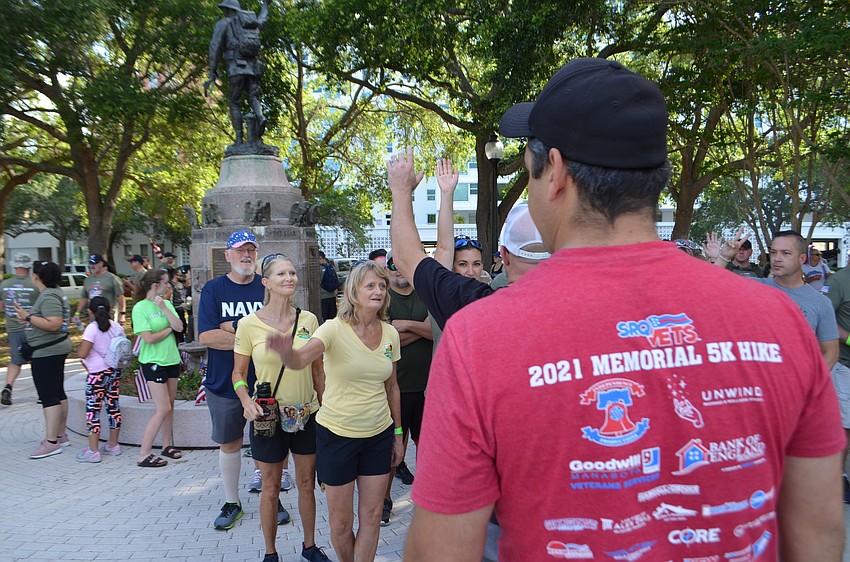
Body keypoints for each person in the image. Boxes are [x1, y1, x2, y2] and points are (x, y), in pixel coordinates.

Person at [403, 58, 846, 561]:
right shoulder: (780, 320)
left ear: (556, 174)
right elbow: (821, 534)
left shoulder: (479, 340)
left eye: (528, 172)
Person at [267, 261, 403, 562]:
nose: (378, 290)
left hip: (378, 435)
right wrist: (286, 352)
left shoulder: (390, 333)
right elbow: (301, 359)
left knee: (371, 515)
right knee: (341, 523)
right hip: (336, 436)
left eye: (382, 285)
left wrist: (397, 435)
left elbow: (392, 387)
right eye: (370, 285)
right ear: (353, 291)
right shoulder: (333, 329)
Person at [232, 253, 330, 562]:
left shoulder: (309, 320)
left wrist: (325, 410)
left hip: (306, 414)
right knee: (271, 487)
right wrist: (246, 401)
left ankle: (310, 547)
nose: (289, 278)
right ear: (266, 283)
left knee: (305, 485)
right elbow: (237, 374)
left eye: (292, 272)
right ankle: (271, 553)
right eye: (281, 274)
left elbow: (318, 371)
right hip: (267, 418)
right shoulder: (248, 325)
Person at [197, 230, 290, 530]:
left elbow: (279, 333)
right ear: (227, 255)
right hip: (225, 383)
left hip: (266, 384)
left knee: (268, 444)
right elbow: (207, 336)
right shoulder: (214, 289)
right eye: (239, 250)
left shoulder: (265, 289)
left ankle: (271, 498)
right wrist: (251, 335)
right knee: (231, 442)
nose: (246, 255)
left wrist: (234, 327)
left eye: (251, 250)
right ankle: (231, 501)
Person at [381, 250, 433, 526]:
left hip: (428, 389)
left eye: (403, 264)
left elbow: (437, 331)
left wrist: (404, 326)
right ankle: (385, 501)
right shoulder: (383, 299)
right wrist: (422, 328)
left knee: (428, 450)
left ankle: (430, 502)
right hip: (394, 390)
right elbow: (384, 342)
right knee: (393, 450)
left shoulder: (426, 294)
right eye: (393, 265)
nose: (398, 270)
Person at [13, 261, 72, 459]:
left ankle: (51, 442)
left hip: (47, 352)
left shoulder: (48, 295)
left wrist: (28, 317)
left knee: (49, 397)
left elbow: (53, 323)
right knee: (57, 392)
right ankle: (60, 435)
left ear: (36, 277)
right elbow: (49, 319)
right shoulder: (53, 293)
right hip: (53, 349)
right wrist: (30, 316)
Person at [132, 269, 184, 468]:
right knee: (162, 408)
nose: (168, 286)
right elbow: (148, 338)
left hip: (171, 359)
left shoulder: (166, 303)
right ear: (155, 286)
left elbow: (179, 327)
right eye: (165, 283)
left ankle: (166, 445)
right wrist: (169, 328)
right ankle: (143, 454)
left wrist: (164, 309)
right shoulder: (140, 308)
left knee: (170, 405)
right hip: (153, 363)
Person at [205, 0, 271, 144]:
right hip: (253, 68)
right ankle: (260, 116)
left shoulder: (223, 23)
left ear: (228, 10)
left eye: (224, 10)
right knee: (253, 97)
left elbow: (215, 46)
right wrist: (265, 6)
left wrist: (212, 70)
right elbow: (262, 20)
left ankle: (239, 139)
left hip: (236, 67)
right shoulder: (249, 25)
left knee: (234, 102)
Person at [75, 296, 125, 463]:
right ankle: (113, 445)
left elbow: (83, 353)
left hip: (97, 374)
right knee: (113, 407)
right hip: (114, 372)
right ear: (110, 310)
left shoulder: (92, 328)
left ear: (90, 311)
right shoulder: (116, 326)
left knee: (93, 411)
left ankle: (93, 450)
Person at [1, 253, 40, 405]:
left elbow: (1, 306)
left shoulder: (4, 284)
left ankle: (8, 387)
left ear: (15, 265)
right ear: (29, 267)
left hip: (13, 328)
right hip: (35, 328)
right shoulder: (36, 283)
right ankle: (42, 394)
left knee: (16, 361)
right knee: (37, 360)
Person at [76, 254, 126, 323]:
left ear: (101, 263)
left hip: (109, 316)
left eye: (95, 263)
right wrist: (77, 313)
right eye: (90, 263)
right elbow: (84, 298)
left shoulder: (112, 278)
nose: (92, 266)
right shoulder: (88, 280)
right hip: (94, 318)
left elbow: (120, 296)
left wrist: (122, 314)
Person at [318, 250, 339, 323]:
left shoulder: (319, 269)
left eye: (319, 259)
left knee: (324, 318)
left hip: (323, 297)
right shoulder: (331, 267)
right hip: (332, 296)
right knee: (332, 318)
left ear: (322, 258)